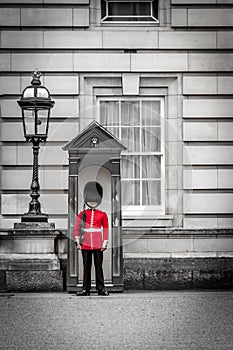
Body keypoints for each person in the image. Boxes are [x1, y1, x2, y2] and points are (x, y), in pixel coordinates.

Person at [74, 181, 109, 296]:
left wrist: (104, 243)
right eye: (90, 199)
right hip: (86, 243)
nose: (93, 201)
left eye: (95, 199)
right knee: (86, 267)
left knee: (99, 267)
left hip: (98, 244)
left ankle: (101, 288)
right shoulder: (82, 214)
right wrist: (78, 242)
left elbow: (106, 229)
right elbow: (77, 229)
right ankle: (86, 289)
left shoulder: (102, 214)